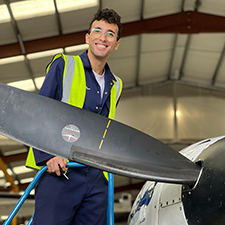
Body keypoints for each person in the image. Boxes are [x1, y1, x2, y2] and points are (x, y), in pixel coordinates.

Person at [25, 8, 123, 225]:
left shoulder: (116, 84)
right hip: (61, 171)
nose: (103, 37)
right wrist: (48, 156)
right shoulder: (64, 66)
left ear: (116, 43)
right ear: (87, 37)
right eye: (97, 31)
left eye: (110, 34)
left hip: (96, 180)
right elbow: (38, 113)